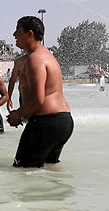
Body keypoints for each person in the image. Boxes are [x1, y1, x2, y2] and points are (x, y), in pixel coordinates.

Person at [7, 16, 73, 168]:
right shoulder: (47, 56)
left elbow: (38, 99)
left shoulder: (35, 59)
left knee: (23, 171)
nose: (14, 34)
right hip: (63, 121)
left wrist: (18, 115)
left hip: (46, 122)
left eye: (18, 30)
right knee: (49, 170)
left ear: (29, 34)